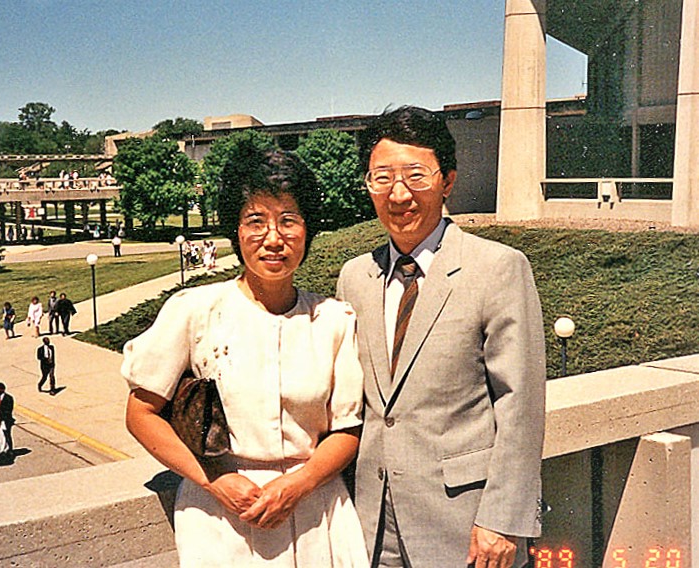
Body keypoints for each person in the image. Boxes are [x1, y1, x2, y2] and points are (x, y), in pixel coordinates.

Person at [123, 148, 368, 567]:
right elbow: (140, 414)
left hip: (316, 511)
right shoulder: (195, 311)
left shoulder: (334, 319)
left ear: (308, 229)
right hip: (221, 515)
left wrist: (298, 485)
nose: (273, 238)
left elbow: (347, 429)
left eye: (288, 220)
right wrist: (213, 480)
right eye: (256, 221)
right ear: (235, 231)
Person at [336, 107, 546, 568]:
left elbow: (521, 406)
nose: (398, 194)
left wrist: (502, 520)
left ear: (447, 181)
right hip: (371, 524)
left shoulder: (498, 268)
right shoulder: (355, 277)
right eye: (382, 178)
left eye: (416, 176)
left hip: (466, 526)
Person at [0, 382, 15, 460]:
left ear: (2, 389)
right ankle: (1, 451)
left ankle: (10, 450)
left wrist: (1, 416)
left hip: (6, 420)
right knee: (0, 436)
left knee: (7, 435)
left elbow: (8, 410)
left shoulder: (8, 398)